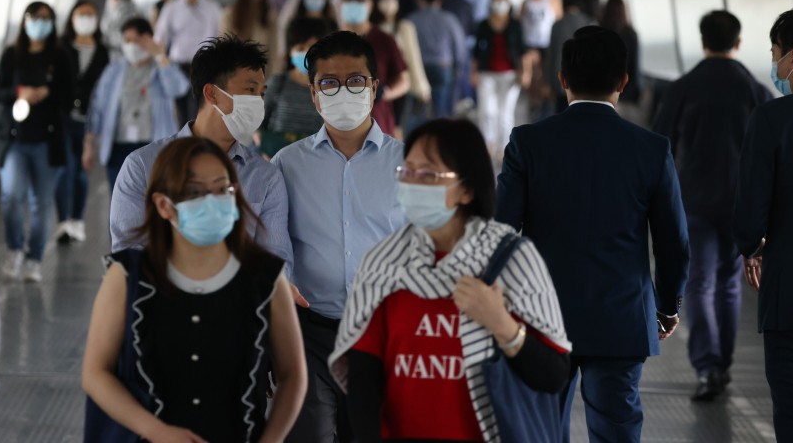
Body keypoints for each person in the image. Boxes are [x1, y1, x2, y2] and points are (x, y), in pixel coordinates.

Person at [496, 26, 690, 443]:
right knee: (617, 430)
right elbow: (674, 242)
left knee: (541, 428)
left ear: (562, 79)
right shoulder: (651, 149)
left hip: (542, 316)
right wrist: (668, 304)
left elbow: (502, 231)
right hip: (620, 318)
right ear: (623, 81)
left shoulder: (528, 143)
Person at [330, 119, 572, 442]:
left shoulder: (512, 260)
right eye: (408, 172)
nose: (413, 184)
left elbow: (554, 376)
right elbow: (363, 383)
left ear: (467, 189)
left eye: (428, 174)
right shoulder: (384, 264)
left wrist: (502, 325)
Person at [82, 136, 306, 442]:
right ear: (164, 204)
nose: (211, 200)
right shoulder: (126, 276)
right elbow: (96, 373)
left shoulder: (266, 279)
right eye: (194, 192)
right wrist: (156, 431)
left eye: (221, 189)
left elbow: (293, 375)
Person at [272, 31, 406, 443]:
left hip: (383, 333)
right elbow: (277, 239)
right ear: (314, 95)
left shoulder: (407, 163)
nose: (342, 91)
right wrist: (282, 280)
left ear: (374, 89)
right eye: (329, 83)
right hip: (312, 332)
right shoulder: (287, 164)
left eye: (355, 80)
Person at [652, 10, 771, 402]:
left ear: (702, 41)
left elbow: (660, 144)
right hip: (741, 203)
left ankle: (707, 366)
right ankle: (724, 362)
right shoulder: (755, 90)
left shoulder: (684, 86)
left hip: (695, 201)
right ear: (738, 43)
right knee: (730, 284)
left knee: (699, 283)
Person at [109, 36, 294, 273]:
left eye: (261, 93)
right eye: (249, 90)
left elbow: (276, 262)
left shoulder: (266, 178)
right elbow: (129, 256)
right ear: (212, 94)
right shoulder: (143, 167)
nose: (258, 101)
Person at [733, 8, 793, 442]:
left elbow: (750, 214)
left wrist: (753, 246)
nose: (774, 64)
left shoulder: (772, 120)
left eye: (775, 53)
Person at [0, 1, 73, 283]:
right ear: (25, 21)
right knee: (11, 196)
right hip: (15, 139)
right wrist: (20, 93)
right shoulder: (11, 55)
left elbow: (69, 94)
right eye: (35, 18)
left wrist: (46, 92)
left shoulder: (60, 56)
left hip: (46, 140)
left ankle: (34, 257)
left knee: (41, 201)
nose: (40, 23)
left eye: (46, 19)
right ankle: (15, 247)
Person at [83, 17, 190, 194]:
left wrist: (160, 56)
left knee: (153, 200)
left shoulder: (160, 66)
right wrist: (89, 144)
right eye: (126, 40)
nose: (130, 45)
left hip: (152, 145)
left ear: (147, 39)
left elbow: (179, 88)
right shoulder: (114, 70)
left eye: (135, 40)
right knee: (120, 200)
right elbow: (98, 106)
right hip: (118, 147)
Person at [55, 0, 110, 244]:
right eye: (81, 14)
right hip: (62, 117)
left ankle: (77, 220)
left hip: (89, 119)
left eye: (90, 14)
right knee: (64, 169)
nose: (86, 19)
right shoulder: (61, 47)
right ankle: (63, 221)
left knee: (81, 171)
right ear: (72, 18)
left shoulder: (102, 51)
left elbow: (105, 87)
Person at [338, 0, 409, 136]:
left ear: (371, 5)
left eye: (360, 0)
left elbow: (404, 81)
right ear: (339, 4)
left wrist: (384, 92)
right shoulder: (329, 42)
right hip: (338, 125)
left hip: (377, 123)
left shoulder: (384, 40)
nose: (353, 3)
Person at [154, 0, 222, 125]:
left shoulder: (212, 8)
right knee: (176, 112)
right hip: (177, 65)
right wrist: (161, 62)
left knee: (197, 112)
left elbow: (219, 37)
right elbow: (160, 38)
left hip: (202, 66)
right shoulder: (172, 8)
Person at [261, 17, 332, 157]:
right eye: (300, 48)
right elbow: (258, 124)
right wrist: (265, 154)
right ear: (290, 51)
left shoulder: (331, 88)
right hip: (277, 160)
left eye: (312, 47)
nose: (307, 53)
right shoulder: (277, 83)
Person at [472, 0, 526, 164]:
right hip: (487, 73)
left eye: (502, 1)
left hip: (510, 74)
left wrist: (525, 72)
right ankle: (488, 145)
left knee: (505, 113)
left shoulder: (515, 25)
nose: (499, 5)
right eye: (496, 1)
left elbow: (522, 50)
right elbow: (476, 52)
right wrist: (473, 72)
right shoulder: (484, 25)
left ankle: (504, 148)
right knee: (487, 111)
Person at [372, 0, 431, 133]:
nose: (388, 2)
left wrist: (422, 87)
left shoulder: (405, 27)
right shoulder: (372, 29)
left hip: (401, 86)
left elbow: (413, 58)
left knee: (397, 128)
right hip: (379, 86)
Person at [405, 0, 467, 118]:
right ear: (439, 0)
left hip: (418, 67)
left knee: (418, 109)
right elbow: (459, 46)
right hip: (443, 66)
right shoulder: (449, 19)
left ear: (420, 0)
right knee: (440, 108)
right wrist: (458, 67)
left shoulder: (411, 19)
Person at [547, 0, 596, 113]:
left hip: (562, 86)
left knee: (564, 126)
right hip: (586, 87)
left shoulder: (557, 26)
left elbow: (551, 57)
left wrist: (550, 84)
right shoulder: (590, 23)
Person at [221, 0, 280, 72]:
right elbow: (224, 43)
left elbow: (274, 45)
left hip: (261, 69)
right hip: (236, 68)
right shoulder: (230, 13)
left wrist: (274, 71)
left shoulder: (270, 15)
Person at [600, 0, 644, 124]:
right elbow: (635, 68)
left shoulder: (600, 33)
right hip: (627, 94)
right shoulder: (631, 34)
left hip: (604, 95)